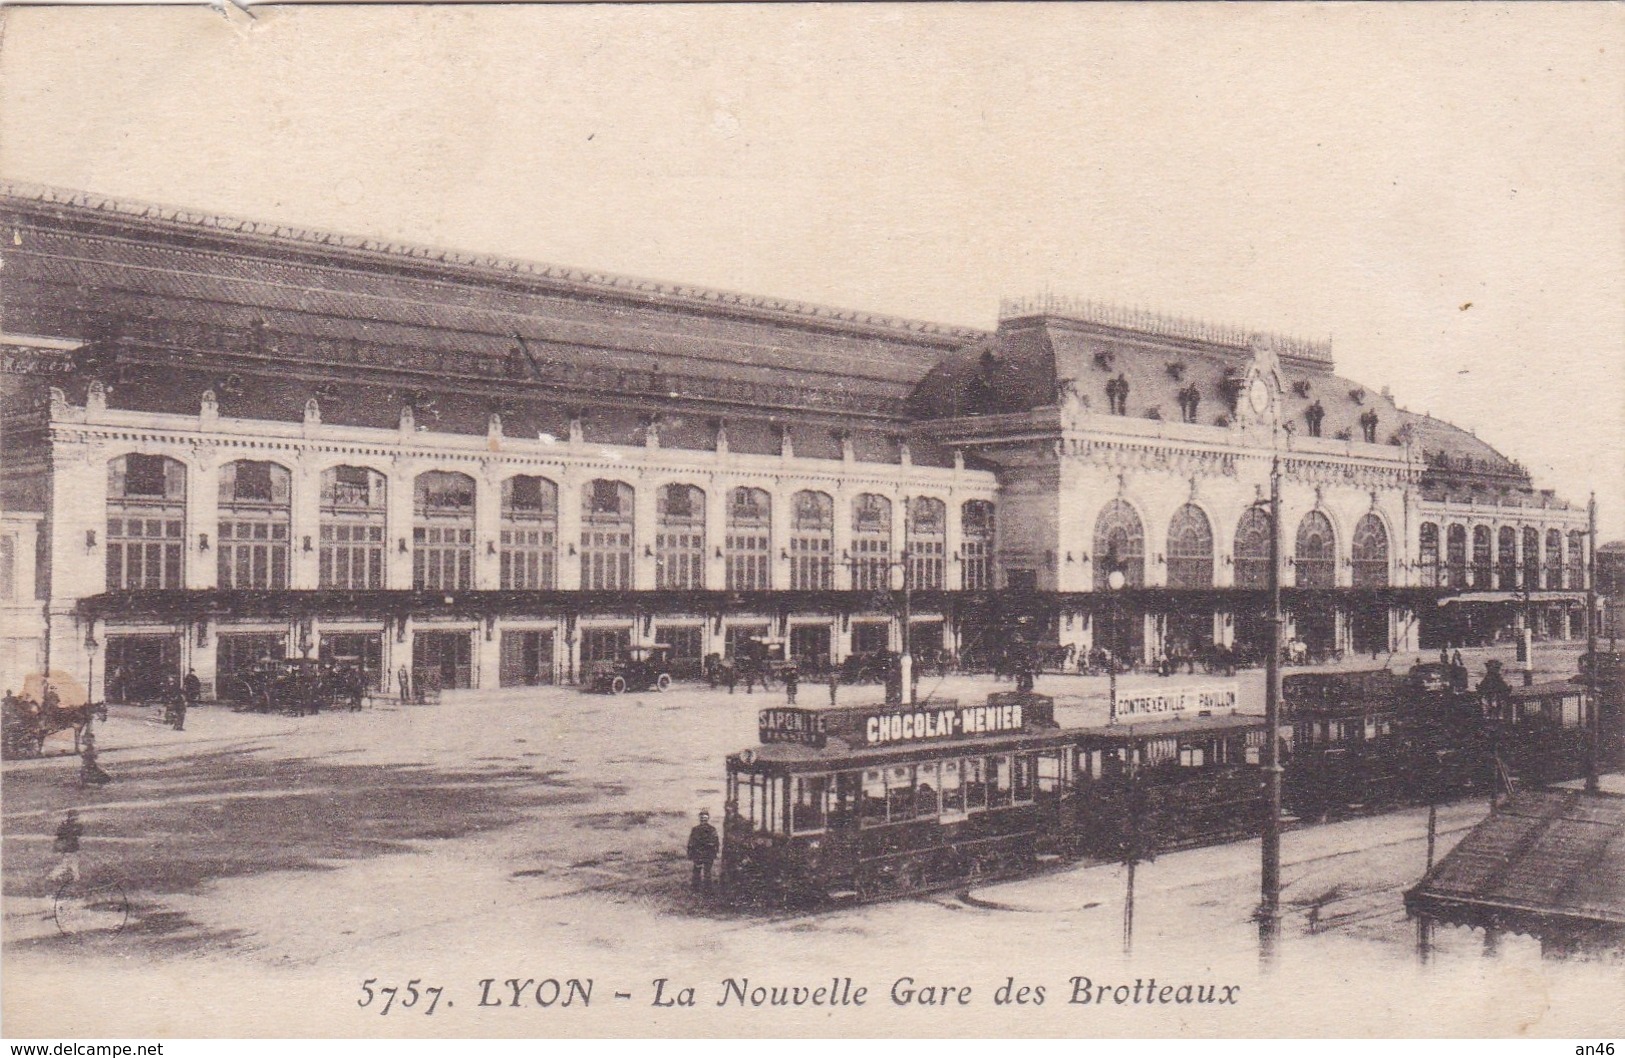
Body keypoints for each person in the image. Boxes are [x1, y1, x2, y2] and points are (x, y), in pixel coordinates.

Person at [47, 810, 83, 889]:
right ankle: (53, 876)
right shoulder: (74, 827)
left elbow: (59, 835)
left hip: (68, 848)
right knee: (67, 864)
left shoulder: (65, 826)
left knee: (71, 863)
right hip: (71, 848)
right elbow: (78, 833)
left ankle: (76, 877)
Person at [686, 810, 719, 892]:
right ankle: (695, 888)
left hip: (708, 854)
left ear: (708, 818)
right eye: (702, 818)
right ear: (699, 818)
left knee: (707, 872)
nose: (703, 820)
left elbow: (716, 842)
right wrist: (690, 853)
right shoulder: (695, 829)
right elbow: (691, 842)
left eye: (705, 818)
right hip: (698, 853)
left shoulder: (712, 829)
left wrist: (714, 852)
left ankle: (707, 889)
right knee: (697, 871)